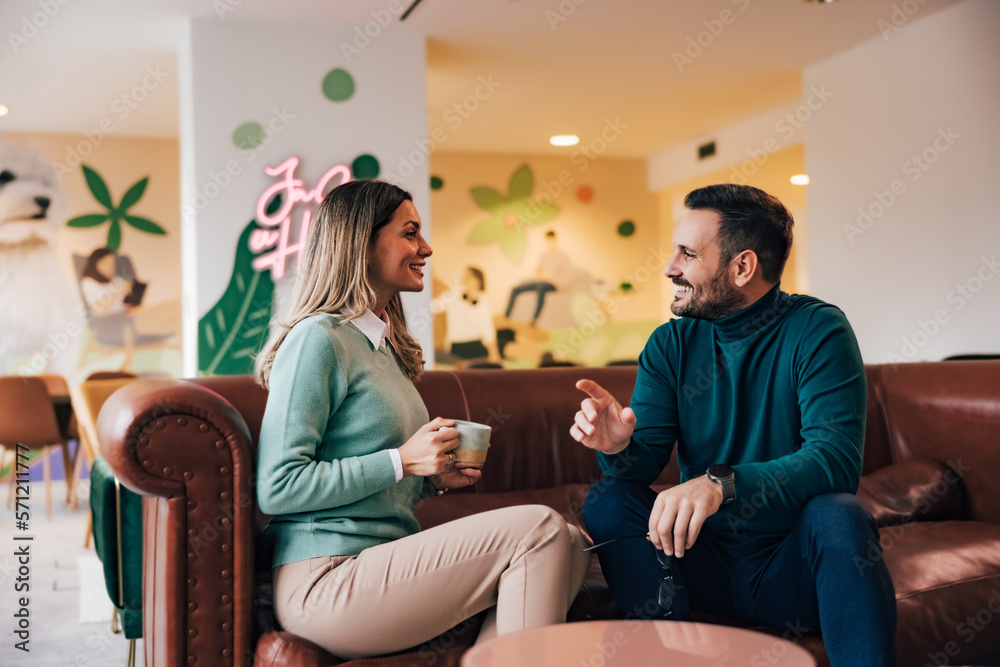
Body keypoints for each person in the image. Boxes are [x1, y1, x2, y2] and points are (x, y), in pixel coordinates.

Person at [254, 180, 589, 659]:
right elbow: (279, 486)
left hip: (378, 562)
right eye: (410, 233)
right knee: (540, 530)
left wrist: (431, 480)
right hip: (324, 578)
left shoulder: (379, 346)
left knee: (570, 544)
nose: (426, 248)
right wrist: (402, 461)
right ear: (361, 243)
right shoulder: (317, 339)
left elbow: (383, 473)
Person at [572, 184, 897, 666]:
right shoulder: (670, 344)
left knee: (839, 513)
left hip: (788, 566)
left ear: (743, 267)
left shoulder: (818, 330)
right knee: (608, 499)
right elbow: (639, 466)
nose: (670, 268)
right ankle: (674, 655)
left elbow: (835, 461)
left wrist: (720, 485)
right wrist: (618, 447)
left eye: (687, 254)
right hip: (694, 564)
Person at [442, 265, 501, 363]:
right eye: (464, 276)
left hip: (477, 343)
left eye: (469, 276)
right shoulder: (453, 296)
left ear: (478, 280)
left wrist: (494, 352)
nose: (465, 279)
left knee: (507, 335)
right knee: (502, 344)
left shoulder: (483, 300)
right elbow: (436, 304)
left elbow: (488, 329)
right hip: (459, 346)